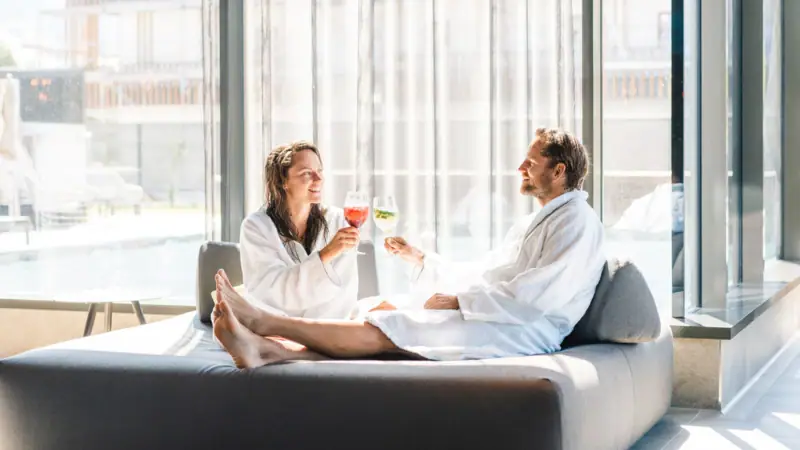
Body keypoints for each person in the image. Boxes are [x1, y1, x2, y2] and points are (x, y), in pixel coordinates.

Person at [212, 128, 606, 367]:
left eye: (530, 162)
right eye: (306, 174)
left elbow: (538, 294)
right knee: (389, 312)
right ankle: (271, 352)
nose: (521, 168)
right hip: (505, 316)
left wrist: (460, 301)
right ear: (282, 181)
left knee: (396, 324)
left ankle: (266, 324)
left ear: (558, 171)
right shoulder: (538, 222)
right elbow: (488, 272)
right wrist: (422, 260)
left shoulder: (576, 221)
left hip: (524, 330)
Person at [238, 141, 365, 319]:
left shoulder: (338, 221)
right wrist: (326, 254)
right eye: (306, 173)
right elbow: (269, 295)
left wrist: (314, 330)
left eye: (319, 171)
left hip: (330, 325)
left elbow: (343, 295)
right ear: (283, 181)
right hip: (276, 325)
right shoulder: (256, 227)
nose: (318, 179)